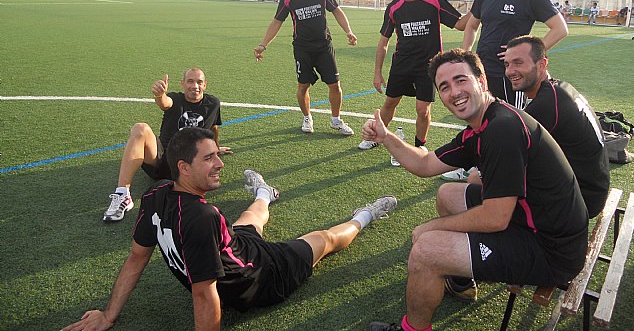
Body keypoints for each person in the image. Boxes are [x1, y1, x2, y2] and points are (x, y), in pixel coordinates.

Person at [65, 127, 397, 331]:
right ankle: (364, 215)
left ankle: (266, 192)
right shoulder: (201, 217)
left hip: (235, 248)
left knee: (250, 219)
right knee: (324, 240)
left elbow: (137, 258)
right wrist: (107, 315)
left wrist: (109, 315)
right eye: (209, 158)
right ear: (183, 167)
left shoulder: (156, 196)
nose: (221, 163)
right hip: (266, 275)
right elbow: (204, 295)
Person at [363, 48, 588, 331]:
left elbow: (495, 218)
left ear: (481, 81)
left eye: (461, 80)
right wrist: (386, 137)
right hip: (537, 224)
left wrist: (433, 227)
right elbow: (425, 164)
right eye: (444, 87)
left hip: (551, 250)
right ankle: (461, 280)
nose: (454, 91)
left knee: (426, 251)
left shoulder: (502, 130)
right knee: (448, 194)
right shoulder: (485, 124)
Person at [358, 0, 467, 166]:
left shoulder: (434, 1)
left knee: (422, 109)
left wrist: (480, 7)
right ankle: (377, 137)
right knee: (390, 103)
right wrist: (377, 73)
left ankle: (420, 145)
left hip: (429, 66)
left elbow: (461, 24)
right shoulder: (394, 7)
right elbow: (383, 42)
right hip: (402, 65)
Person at [103, 68, 231, 223]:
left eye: (199, 82)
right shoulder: (175, 99)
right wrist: (159, 95)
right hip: (162, 160)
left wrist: (216, 148)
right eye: (190, 81)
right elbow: (165, 103)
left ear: (205, 85)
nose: (195, 86)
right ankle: (122, 194)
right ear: (182, 84)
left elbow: (213, 127)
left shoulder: (213, 103)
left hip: (189, 167)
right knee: (140, 128)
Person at [504, 35, 609, 218]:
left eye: (518, 63)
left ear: (542, 64)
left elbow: (508, 154)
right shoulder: (560, 88)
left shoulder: (546, 105)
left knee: (483, 184)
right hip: (593, 190)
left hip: (581, 200)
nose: (510, 71)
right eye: (507, 64)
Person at [462, 0, 568, 109]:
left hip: (511, 77)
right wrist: (466, 54)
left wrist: (524, 56)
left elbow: (560, 29)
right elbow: (471, 26)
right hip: (482, 73)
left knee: (511, 126)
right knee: (481, 123)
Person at [254, 0, 358, 136]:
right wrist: (263, 44)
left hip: (324, 46)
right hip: (302, 48)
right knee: (303, 86)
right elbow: (277, 21)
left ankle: (336, 120)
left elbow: (336, 11)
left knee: (334, 85)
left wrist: (348, 32)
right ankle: (307, 117)